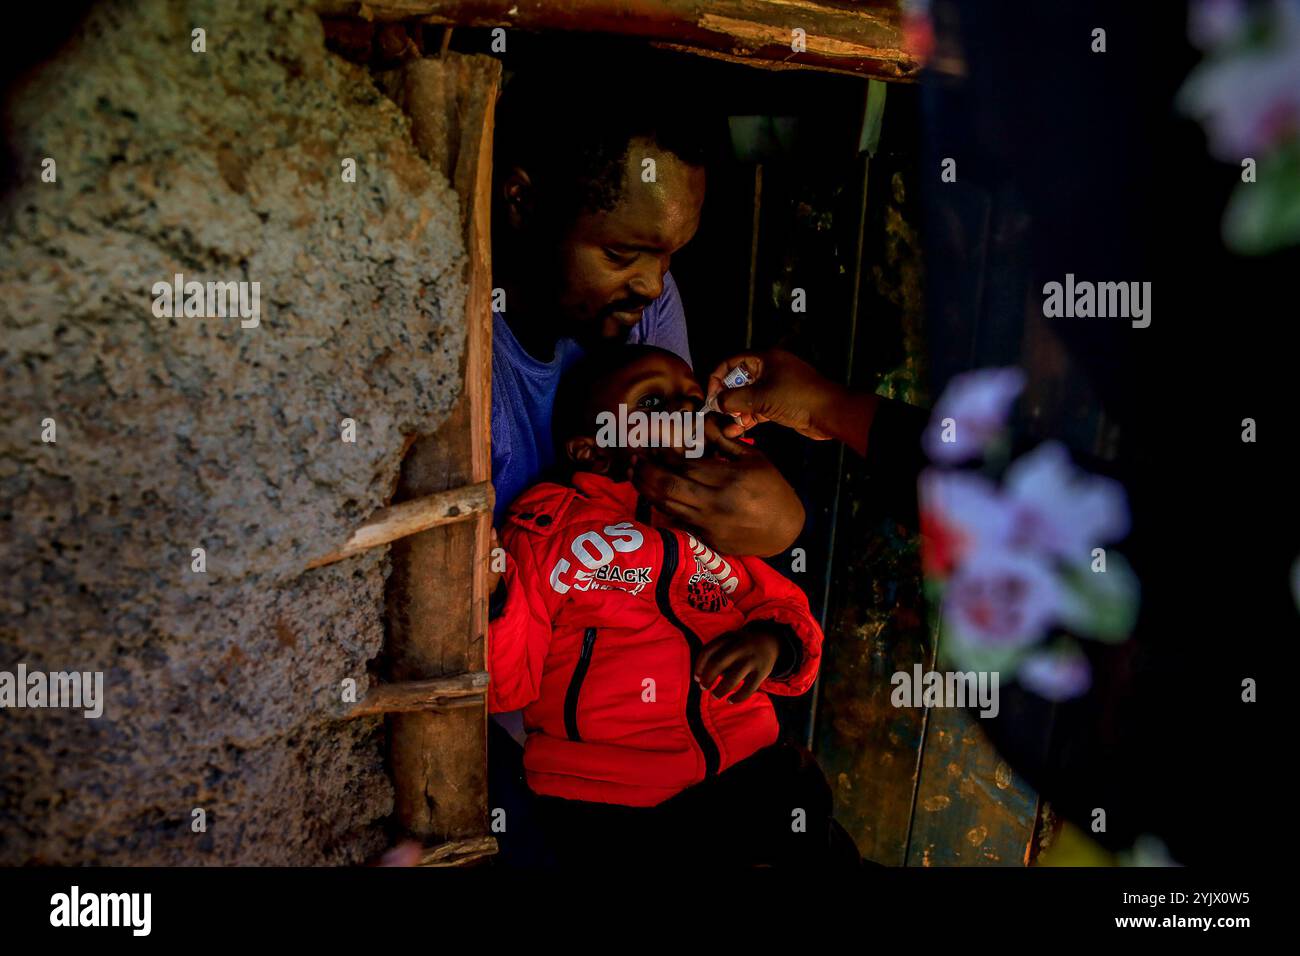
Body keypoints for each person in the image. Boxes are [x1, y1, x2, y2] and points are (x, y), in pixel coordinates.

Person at [487, 344, 859, 868]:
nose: (685, 414)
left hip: (753, 771)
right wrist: (496, 599)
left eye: (691, 401)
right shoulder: (548, 528)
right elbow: (509, 684)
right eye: (654, 406)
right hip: (615, 802)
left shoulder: (715, 520)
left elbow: (786, 610)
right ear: (591, 451)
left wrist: (771, 644)